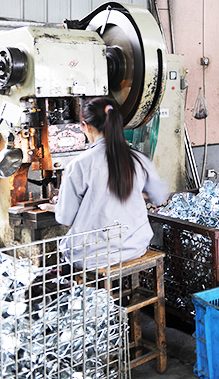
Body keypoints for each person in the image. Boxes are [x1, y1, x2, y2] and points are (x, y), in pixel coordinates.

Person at [55, 97, 168, 268]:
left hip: (93, 256)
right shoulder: (139, 159)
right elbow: (159, 196)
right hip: (135, 247)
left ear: (86, 126)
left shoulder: (78, 165)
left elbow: (65, 217)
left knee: (64, 259)